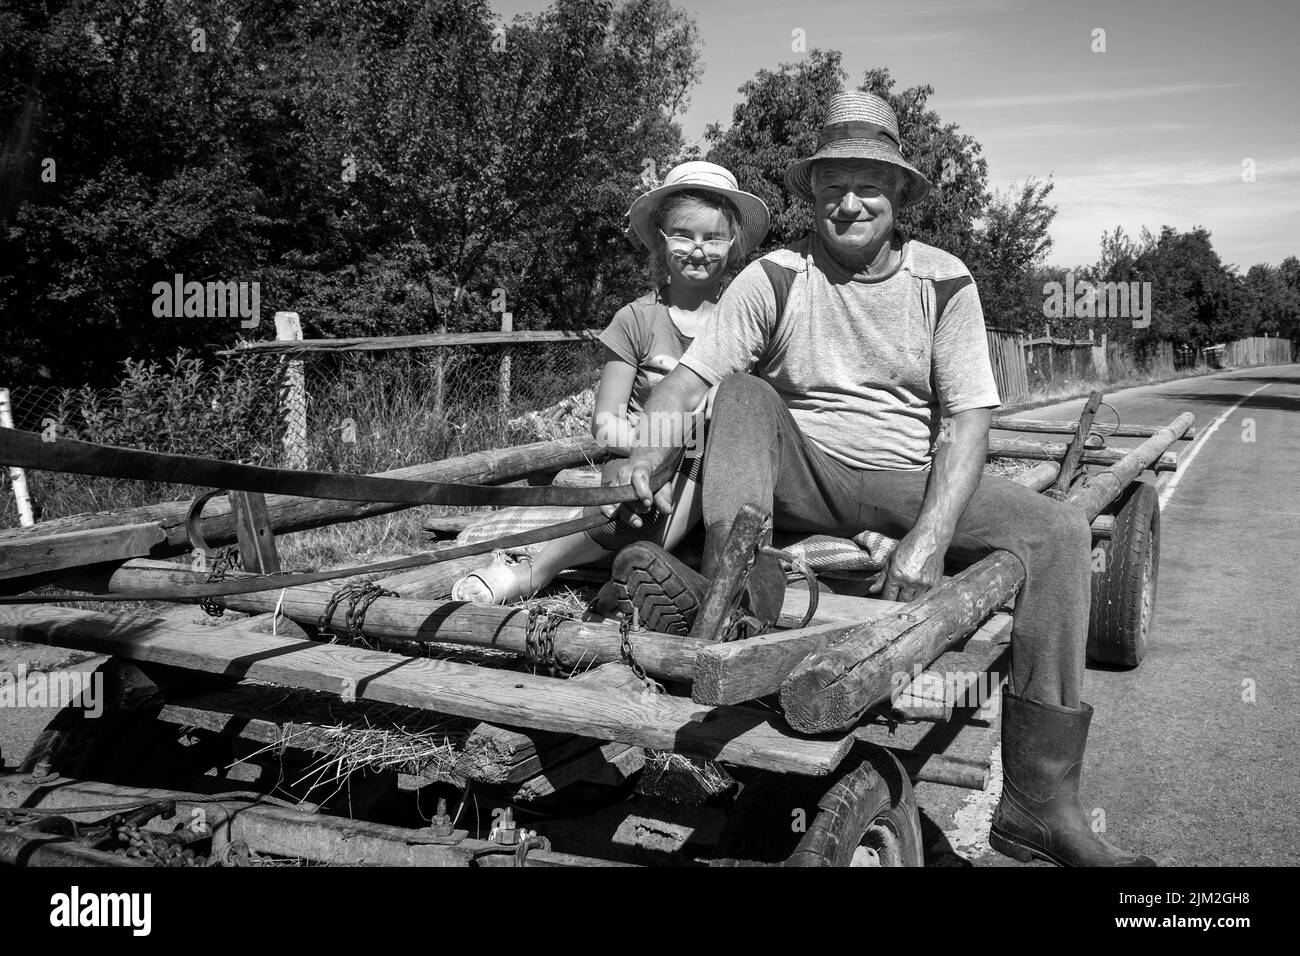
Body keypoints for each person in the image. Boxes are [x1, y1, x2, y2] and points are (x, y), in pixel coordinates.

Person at [603, 91, 1155, 867]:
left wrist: (927, 538)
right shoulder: (775, 277)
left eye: (869, 186)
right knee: (744, 394)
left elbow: (968, 421)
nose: (850, 202)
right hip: (803, 474)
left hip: (903, 477)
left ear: (899, 195)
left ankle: (1040, 804)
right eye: (833, 188)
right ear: (814, 197)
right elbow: (692, 382)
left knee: (1059, 531)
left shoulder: (944, 281)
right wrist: (643, 454)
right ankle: (728, 598)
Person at [451, 161, 769, 605]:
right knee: (653, 482)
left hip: (713, 471)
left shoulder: (745, 321)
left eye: (713, 238)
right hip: (637, 459)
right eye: (684, 235)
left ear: (732, 244)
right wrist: (655, 445)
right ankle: (538, 570)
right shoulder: (636, 319)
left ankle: (623, 577)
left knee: (706, 444)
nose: (699, 250)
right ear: (661, 240)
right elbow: (606, 422)